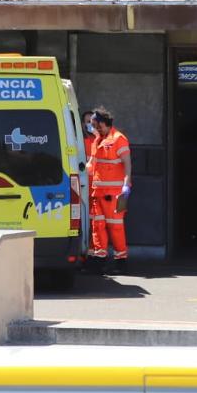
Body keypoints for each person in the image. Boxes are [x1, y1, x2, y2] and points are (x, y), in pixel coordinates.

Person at [87, 107, 132, 274]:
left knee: (115, 227)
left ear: (103, 123)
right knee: (97, 225)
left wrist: (126, 185)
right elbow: (92, 165)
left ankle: (121, 260)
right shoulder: (97, 140)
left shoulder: (118, 139)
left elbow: (127, 164)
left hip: (113, 194)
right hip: (97, 192)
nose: (93, 128)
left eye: (95, 125)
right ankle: (99, 259)